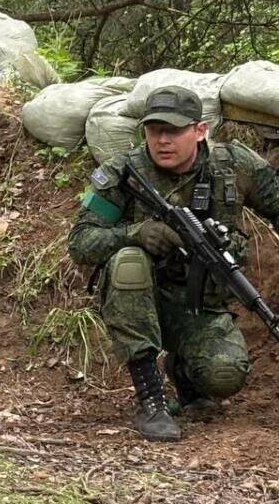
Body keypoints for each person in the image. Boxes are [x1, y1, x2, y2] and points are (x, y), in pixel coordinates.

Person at [69, 86, 279, 441]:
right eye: (155, 130)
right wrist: (135, 234)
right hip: (138, 300)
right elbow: (80, 243)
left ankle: (182, 373)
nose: (163, 140)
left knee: (225, 376)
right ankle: (151, 398)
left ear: (200, 130)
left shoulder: (234, 164)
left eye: (174, 130)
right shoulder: (123, 172)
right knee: (129, 261)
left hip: (200, 306)